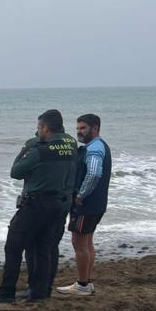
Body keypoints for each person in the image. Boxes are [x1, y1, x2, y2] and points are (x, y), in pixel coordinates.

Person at [0, 110, 78, 304]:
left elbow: (16, 172)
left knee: (13, 247)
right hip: (59, 203)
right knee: (44, 248)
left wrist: (24, 149)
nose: (37, 132)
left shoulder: (38, 150)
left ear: (45, 127)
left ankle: (6, 292)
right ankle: (39, 293)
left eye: (38, 128)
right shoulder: (71, 144)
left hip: (36, 203)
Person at [57, 113, 111, 296]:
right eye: (78, 128)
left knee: (79, 242)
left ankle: (82, 285)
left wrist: (80, 195)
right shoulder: (99, 146)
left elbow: (94, 173)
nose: (79, 132)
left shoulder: (94, 149)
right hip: (97, 204)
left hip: (86, 205)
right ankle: (86, 282)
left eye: (83, 128)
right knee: (87, 243)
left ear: (95, 129)